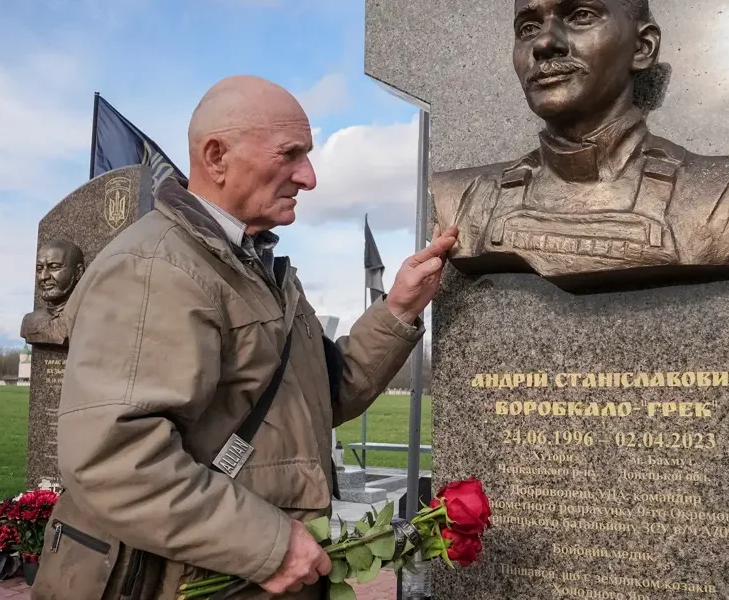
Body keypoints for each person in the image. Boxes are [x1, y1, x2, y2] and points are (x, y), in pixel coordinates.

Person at [31, 74, 458, 600]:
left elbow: (319, 398)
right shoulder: (154, 268)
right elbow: (114, 456)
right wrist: (270, 545)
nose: (310, 176)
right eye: (291, 154)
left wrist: (397, 309)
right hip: (181, 582)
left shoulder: (252, 264)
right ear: (216, 158)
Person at [430, 0, 729, 285]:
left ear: (642, 47)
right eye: (527, 27)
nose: (543, 43)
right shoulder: (462, 199)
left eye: (581, 16)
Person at [20, 239, 85, 346]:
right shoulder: (29, 321)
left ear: (78, 272)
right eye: (39, 269)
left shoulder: (91, 319)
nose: (43, 276)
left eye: (54, 267)